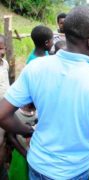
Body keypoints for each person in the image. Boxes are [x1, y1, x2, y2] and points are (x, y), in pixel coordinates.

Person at [0, 6, 89, 180]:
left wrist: (29, 131)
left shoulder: (36, 67)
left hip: (37, 165)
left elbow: (2, 115)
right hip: (72, 173)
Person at [8, 104, 37, 180]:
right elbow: (11, 137)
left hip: (34, 153)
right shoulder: (15, 114)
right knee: (20, 175)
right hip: (20, 152)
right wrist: (24, 153)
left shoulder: (37, 113)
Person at [0, 34, 9, 180]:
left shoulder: (5, 64)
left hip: (6, 109)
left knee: (5, 141)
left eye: (1, 48)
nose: (0, 52)